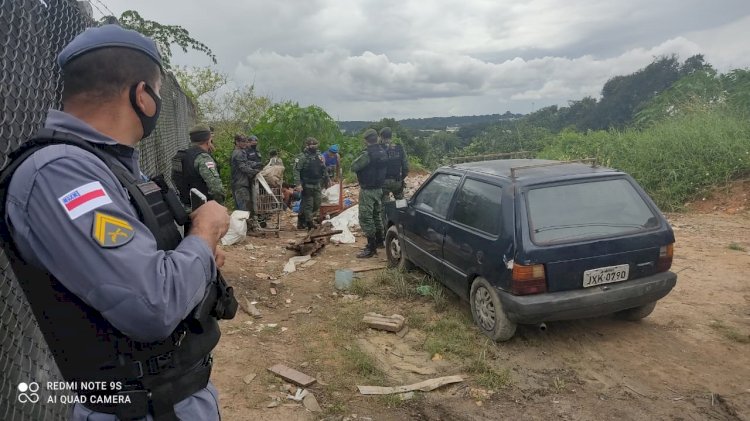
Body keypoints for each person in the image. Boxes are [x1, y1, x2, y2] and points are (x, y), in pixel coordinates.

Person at [0, 25, 233, 420]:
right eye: (157, 92)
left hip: (170, 396)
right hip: (137, 408)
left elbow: (143, 269)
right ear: (143, 95)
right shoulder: (62, 173)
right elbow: (151, 305)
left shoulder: (109, 168)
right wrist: (204, 232)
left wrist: (197, 257)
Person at [172, 124, 225, 212]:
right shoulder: (203, 158)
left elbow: (175, 179)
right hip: (205, 211)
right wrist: (219, 207)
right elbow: (216, 189)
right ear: (208, 139)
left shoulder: (180, 156)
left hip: (187, 209)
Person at [351, 129, 387, 257]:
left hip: (368, 190)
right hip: (379, 189)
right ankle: (379, 241)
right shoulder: (383, 151)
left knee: (366, 217)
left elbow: (354, 166)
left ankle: (371, 247)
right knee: (377, 215)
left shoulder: (367, 154)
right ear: (377, 138)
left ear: (365, 140)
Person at [293, 137, 330, 230]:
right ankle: (309, 223)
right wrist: (298, 184)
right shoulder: (302, 157)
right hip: (306, 184)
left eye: (315, 144)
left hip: (317, 183)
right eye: (311, 144)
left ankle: (302, 220)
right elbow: (296, 170)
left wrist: (327, 179)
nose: (313, 146)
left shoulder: (319, 156)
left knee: (317, 203)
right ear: (307, 145)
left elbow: (323, 168)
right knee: (308, 204)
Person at [230, 134, 261, 219]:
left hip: (240, 183)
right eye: (243, 141)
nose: (245, 143)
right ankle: (244, 229)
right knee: (244, 209)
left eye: (246, 141)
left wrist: (257, 164)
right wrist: (255, 171)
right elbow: (243, 167)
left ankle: (245, 228)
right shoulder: (238, 153)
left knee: (243, 208)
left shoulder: (241, 151)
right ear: (237, 142)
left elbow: (246, 162)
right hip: (240, 184)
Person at [379, 127, 409, 202]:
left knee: (385, 206)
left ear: (381, 137)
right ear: (391, 136)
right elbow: (406, 166)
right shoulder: (399, 148)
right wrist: (401, 178)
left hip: (383, 183)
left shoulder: (377, 149)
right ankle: (401, 212)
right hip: (397, 181)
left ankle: (387, 212)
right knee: (401, 203)